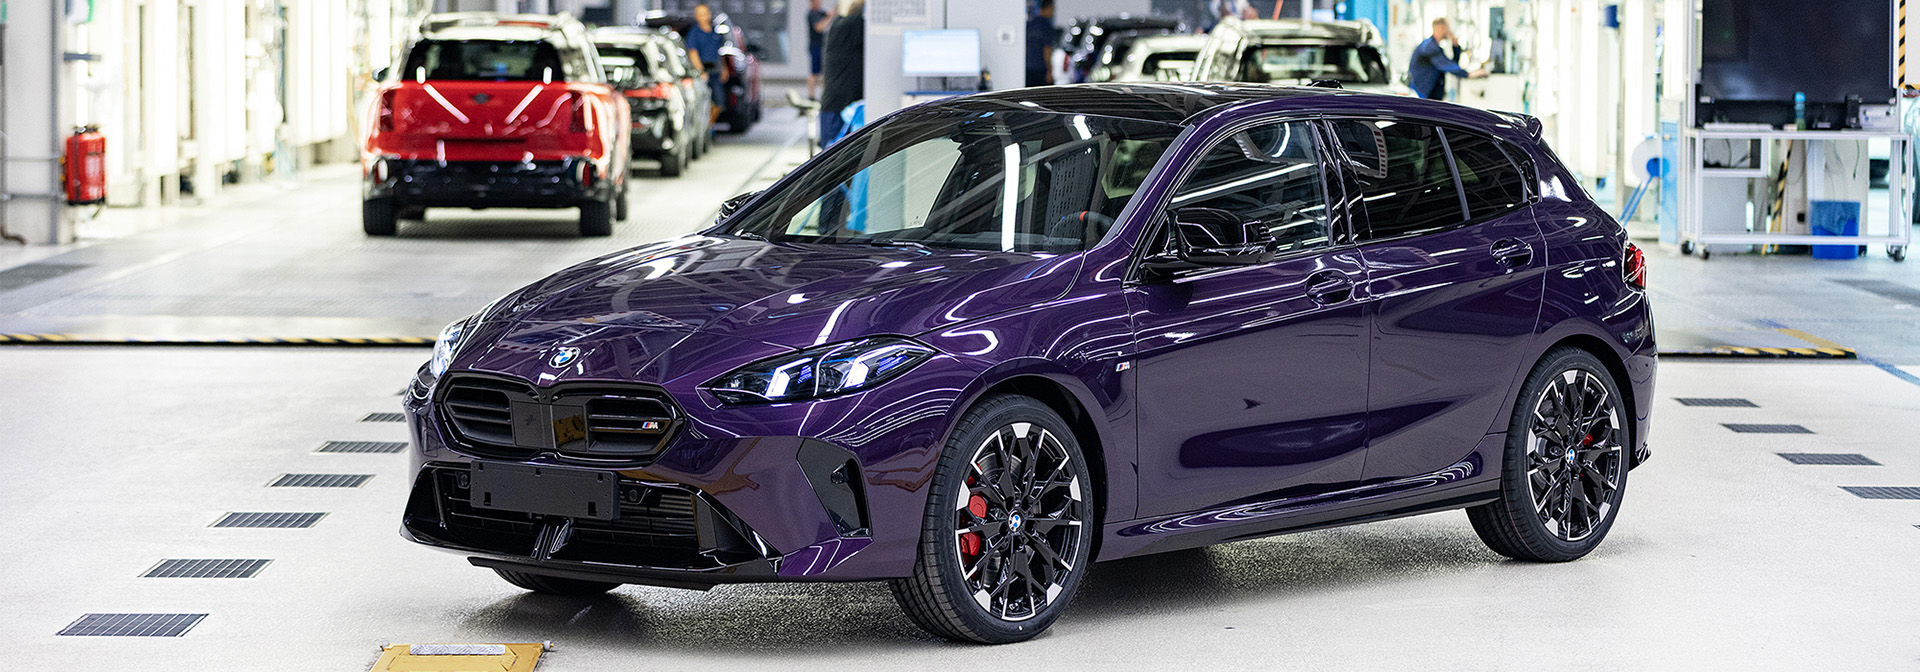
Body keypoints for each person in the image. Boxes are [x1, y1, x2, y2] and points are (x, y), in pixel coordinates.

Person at [819, 0, 865, 147]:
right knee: (833, 160)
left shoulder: (838, 27)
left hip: (834, 104)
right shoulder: (850, 26)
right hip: (839, 107)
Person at [1408, 18, 1487, 100]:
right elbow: (1446, 65)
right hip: (1423, 94)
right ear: (1441, 28)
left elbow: (1451, 63)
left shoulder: (1435, 46)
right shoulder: (1429, 47)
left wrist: (1455, 47)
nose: (1450, 31)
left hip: (1432, 94)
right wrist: (1468, 74)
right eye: (1448, 28)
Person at [685, 4, 727, 125]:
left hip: (715, 72)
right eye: (700, 14)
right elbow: (693, 53)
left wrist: (724, 69)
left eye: (704, 14)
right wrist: (701, 71)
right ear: (696, 17)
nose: (703, 17)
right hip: (703, 73)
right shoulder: (694, 33)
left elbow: (719, 53)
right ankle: (704, 128)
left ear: (709, 14)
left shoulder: (715, 32)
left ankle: (708, 126)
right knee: (704, 102)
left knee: (719, 104)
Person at [1026, 0, 1058, 87]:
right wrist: (1050, 71)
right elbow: (1047, 49)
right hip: (1040, 69)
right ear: (1049, 8)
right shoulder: (1046, 25)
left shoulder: (1029, 24)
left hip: (1027, 68)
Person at [806, 0, 834, 99]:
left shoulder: (819, 12)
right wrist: (829, 18)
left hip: (820, 45)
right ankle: (811, 95)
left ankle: (821, 94)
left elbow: (829, 13)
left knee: (821, 72)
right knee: (814, 72)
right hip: (815, 46)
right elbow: (819, 27)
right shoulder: (812, 14)